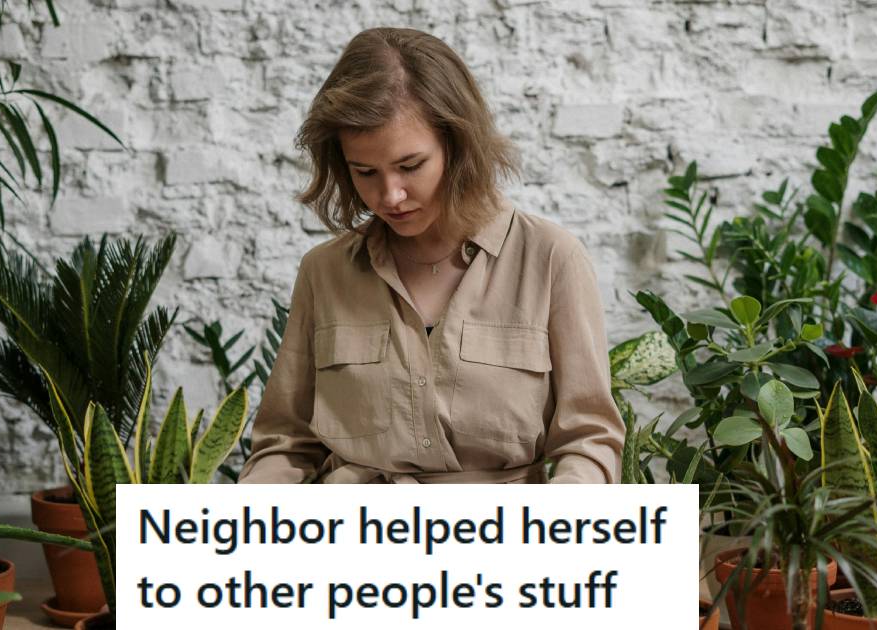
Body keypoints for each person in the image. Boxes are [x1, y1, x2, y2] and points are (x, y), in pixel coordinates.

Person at [238, 27, 623, 484]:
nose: (390, 195)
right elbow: (285, 444)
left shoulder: (551, 259)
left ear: (458, 147)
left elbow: (589, 442)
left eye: (410, 166)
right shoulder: (324, 271)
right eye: (365, 172)